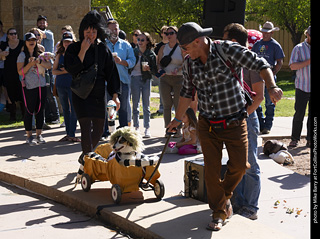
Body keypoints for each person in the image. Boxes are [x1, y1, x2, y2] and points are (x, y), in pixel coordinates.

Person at [167, 22, 283, 231]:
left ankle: (224, 197)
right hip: (208, 124)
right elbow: (186, 92)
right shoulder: (189, 63)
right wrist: (177, 118)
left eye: (185, 47)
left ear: (197, 41)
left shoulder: (226, 49)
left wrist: (273, 87)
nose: (183, 52)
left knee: (240, 166)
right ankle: (219, 211)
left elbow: (261, 64)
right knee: (211, 171)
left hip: (234, 122)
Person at [64, 10, 120, 159]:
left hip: (98, 93)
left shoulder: (103, 49)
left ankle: (85, 157)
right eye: (87, 31)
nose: (90, 35)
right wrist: (83, 50)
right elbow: (72, 69)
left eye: (93, 31)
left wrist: (115, 95)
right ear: (82, 31)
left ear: (98, 32)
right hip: (80, 93)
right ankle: (88, 160)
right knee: (85, 127)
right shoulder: (74, 48)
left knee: (99, 129)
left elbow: (112, 72)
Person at [223, 24, 265, 220]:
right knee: (236, 163)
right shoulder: (226, 61)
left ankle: (251, 206)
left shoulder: (253, 62)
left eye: (225, 39)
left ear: (233, 41)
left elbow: (258, 97)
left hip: (246, 119)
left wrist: (242, 116)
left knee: (251, 164)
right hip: (231, 119)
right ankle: (237, 202)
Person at [17, 32, 52, 145]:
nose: (32, 42)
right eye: (29, 40)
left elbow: (49, 66)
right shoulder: (22, 55)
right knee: (29, 110)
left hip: (41, 85)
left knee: (40, 110)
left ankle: (39, 135)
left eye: (33, 40)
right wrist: (30, 64)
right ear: (25, 42)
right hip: (29, 86)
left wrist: (39, 61)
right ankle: (29, 136)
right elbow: (20, 71)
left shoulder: (41, 53)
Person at [252, 21, 285, 134]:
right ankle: (261, 124)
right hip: (257, 76)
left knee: (270, 102)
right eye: (263, 32)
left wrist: (273, 73)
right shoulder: (257, 44)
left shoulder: (275, 45)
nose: (265, 34)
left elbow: (280, 62)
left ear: (271, 33)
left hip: (269, 75)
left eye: (267, 33)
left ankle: (268, 125)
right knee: (257, 99)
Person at [106, 20, 135, 128]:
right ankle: (106, 131)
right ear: (107, 30)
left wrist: (121, 62)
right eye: (111, 29)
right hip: (107, 82)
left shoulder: (126, 45)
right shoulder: (103, 44)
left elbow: (132, 61)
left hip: (123, 80)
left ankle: (123, 129)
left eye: (116, 29)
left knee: (123, 108)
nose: (114, 31)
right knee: (107, 107)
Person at [52, 31, 79, 142]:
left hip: (73, 85)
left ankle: (72, 133)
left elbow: (78, 69)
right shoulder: (59, 54)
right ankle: (68, 133)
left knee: (74, 109)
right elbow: (54, 71)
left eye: (69, 41)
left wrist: (66, 70)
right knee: (65, 109)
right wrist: (66, 71)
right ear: (62, 43)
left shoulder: (77, 53)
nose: (67, 44)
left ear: (73, 41)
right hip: (61, 85)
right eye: (65, 41)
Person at [157, 26, 184, 137]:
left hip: (179, 78)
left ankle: (178, 129)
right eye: (166, 33)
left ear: (176, 34)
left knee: (178, 105)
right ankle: (168, 129)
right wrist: (159, 69)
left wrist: (178, 69)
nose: (168, 35)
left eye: (171, 33)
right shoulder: (163, 48)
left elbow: (186, 61)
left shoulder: (181, 48)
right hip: (165, 78)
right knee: (166, 105)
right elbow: (158, 61)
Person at [131, 32, 157, 138]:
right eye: (138, 40)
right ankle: (136, 127)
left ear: (147, 41)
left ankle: (147, 128)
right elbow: (129, 65)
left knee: (146, 105)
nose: (140, 42)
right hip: (135, 78)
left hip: (146, 79)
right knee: (135, 105)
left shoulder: (151, 54)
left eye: (142, 40)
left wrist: (149, 69)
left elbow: (155, 70)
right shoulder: (133, 52)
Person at [289, 26, 311, 148]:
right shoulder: (299, 48)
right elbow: (292, 66)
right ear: (307, 35)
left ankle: (310, 139)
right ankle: (294, 139)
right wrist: (308, 61)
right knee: (299, 114)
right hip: (302, 86)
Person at [37, 15, 60, 124]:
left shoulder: (49, 34)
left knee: (50, 93)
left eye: (43, 22)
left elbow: (41, 34)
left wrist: (35, 33)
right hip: (40, 67)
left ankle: (56, 116)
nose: (42, 24)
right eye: (40, 22)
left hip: (49, 67)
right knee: (43, 93)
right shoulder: (36, 37)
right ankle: (47, 117)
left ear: (46, 24)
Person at [0, 27, 24, 121]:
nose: (13, 35)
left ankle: (24, 115)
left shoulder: (22, 43)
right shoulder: (4, 44)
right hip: (8, 72)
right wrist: (2, 54)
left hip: (19, 70)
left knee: (21, 92)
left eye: (15, 33)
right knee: (10, 93)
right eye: (11, 34)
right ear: (8, 36)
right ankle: (12, 116)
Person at [154, 25, 168, 115]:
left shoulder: (173, 45)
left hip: (172, 71)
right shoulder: (158, 46)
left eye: (169, 33)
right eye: (165, 33)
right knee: (162, 90)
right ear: (162, 34)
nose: (167, 35)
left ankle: (171, 107)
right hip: (161, 70)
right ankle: (162, 107)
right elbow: (156, 59)